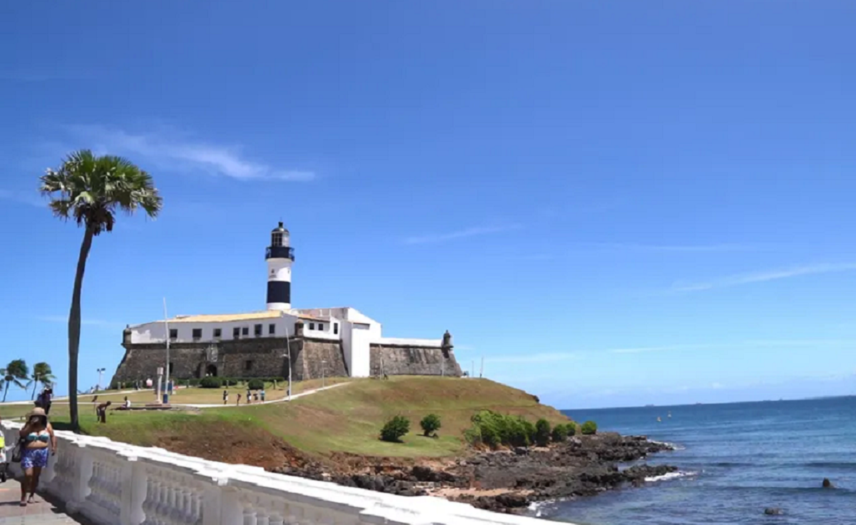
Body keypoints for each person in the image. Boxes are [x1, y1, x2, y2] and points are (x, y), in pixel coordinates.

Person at [18, 408, 56, 506]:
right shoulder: (28, 425)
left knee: (36, 475)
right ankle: (23, 495)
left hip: (42, 452)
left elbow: (52, 435)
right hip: (28, 452)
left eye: (39, 416)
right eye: (35, 416)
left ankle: (31, 495)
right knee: (28, 474)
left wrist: (54, 446)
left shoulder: (47, 425)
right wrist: (30, 425)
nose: (37, 418)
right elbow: (22, 434)